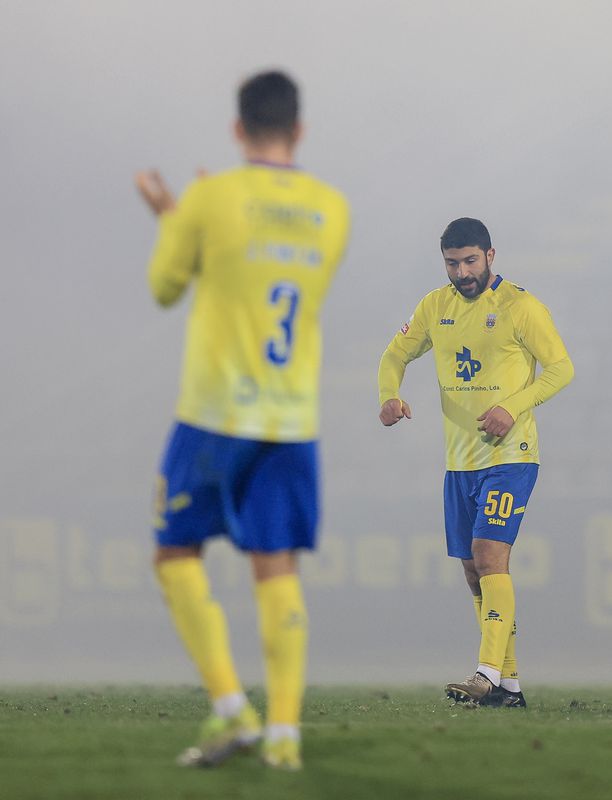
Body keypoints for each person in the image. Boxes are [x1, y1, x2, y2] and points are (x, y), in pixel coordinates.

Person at [135, 70, 350, 769]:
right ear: (301, 128)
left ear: (236, 129)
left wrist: (175, 218)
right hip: (291, 418)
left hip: (213, 411)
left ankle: (233, 709)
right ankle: (285, 736)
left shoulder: (210, 198)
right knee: (275, 564)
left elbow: (167, 288)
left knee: (174, 555)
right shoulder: (332, 209)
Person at [377, 217, 573, 708]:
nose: (461, 272)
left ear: (490, 255)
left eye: (469, 261)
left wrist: (514, 406)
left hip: (512, 456)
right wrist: (389, 396)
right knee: (473, 570)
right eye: (451, 263)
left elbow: (561, 368)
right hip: (459, 461)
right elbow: (393, 355)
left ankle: (484, 675)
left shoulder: (519, 306)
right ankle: (509, 687)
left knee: (489, 557)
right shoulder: (434, 306)